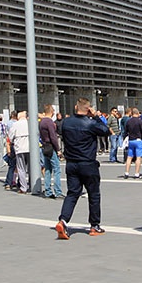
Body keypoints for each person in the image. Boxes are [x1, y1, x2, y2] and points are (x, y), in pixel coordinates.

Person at [55, 98, 110, 239]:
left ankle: (63, 220)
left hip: (71, 163)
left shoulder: (66, 122)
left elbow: (60, 131)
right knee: (94, 194)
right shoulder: (90, 123)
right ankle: (94, 226)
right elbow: (105, 131)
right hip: (87, 163)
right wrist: (96, 116)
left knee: (72, 193)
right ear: (88, 109)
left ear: (75, 107)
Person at [39, 105, 63, 198]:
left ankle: (48, 191)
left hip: (44, 146)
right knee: (57, 169)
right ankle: (58, 191)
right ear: (52, 112)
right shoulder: (49, 122)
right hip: (51, 147)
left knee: (48, 169)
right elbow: (53, 137)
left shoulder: (41, 122)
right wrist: (58, 149)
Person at [8, 111, 31, 193]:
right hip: (30, 148)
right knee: (31, 168)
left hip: (20, 148)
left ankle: (23, 187)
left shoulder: (16, 124)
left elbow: (10, 137)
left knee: (21, 168)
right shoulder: (30, 123)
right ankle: (32, 185)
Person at [123, 106, 142, 179]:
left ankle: (126, 173)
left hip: (131, 140)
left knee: (129, 157)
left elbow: (125, 132)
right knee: (138, 158)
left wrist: (125, 138)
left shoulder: (128, 121)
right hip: (138, 140)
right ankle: (136, 173)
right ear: (137, 113)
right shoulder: (140, 121)